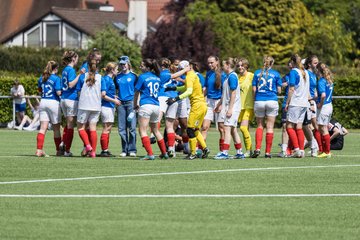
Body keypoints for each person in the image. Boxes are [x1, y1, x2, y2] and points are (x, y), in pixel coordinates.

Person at [166, 60, 210, 160]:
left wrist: (175, 98)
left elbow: (189, 91)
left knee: (190, 129)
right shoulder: (193, 75)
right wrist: (174, 88)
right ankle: (205, 148)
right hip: (202, 105)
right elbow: (186, 88)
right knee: (195, 130)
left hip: (197, 106)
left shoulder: (189, 77)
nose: (180, 71)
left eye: (180, 69)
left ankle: (193, 153)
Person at [134, 58, 168, 160]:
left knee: (143, 130)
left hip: (146, 105)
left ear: (148, 67)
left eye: (142, 65)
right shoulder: (157, 77)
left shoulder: (142, 77)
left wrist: (135, 104)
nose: (140, 67)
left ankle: (150, 154)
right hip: (156, 106)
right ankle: (164, 153)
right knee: (155, 130)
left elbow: (137, 93)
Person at [251, 56, 282, 158]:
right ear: (272, 64)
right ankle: (267, 152)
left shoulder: (256, 73)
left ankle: (257, 148)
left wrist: (254, 100)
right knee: (270, 127)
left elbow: (254, 90)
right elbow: (279, 91)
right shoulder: (276, 74)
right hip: (272, 101)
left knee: (260, 126)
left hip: (259, 100)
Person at [214, 57, 244, 159]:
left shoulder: (232, 77)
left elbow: (233, 93)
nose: (222, 66)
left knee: (227, 128)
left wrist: (230, 109)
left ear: (228, 65)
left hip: (233, 107)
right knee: (233, 130)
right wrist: (219, 104)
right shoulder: (228, 77)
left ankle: (225, 152)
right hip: (228, 106)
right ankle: (239, 152)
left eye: (223, 64)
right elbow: (225, 94)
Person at [76, 59, 106, 158]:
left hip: (84, 105)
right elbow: (103, 94)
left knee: (80, 128)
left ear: (88, 67)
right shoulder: (101, 77)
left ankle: (88, 146)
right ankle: (93, 152)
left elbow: (78, 91)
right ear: (96, 67)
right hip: (96, 106)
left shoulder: (82, 76)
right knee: (93, 129)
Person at [285, 54, 310, 158]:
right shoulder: (306, 73)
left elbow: (291, 89)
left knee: (289, 126)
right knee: (299, 127)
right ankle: (301, 150)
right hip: (304, 103)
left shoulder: (294, 72)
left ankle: (296, 149)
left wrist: (287, 103)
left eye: (290, 62)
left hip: (295, 103)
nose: (289, 64)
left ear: (293, 62)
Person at [60, 50, 84, 156]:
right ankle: (67, 150)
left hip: (64, 99)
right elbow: (71, 84)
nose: (77, 60)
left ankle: (62, 143)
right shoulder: (71, 70)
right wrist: (80, 75)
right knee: (70, 126)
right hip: (70, 99)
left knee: (67, 124)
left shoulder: (64, 69)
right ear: (73, 58)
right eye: (77, 58)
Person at [35, 61, 62, 157]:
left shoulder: (41, 78)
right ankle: (58, 151)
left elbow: (39, 90)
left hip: (43, 102)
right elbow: (58, 92)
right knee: (56, 129)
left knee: (43, 128)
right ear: (55, 69)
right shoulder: (56, 78)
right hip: (53, 103)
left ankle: (39, 150)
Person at [115, 56, 138, 157]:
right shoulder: (117, 77)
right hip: (120, 104)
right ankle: (124, 150)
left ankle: (132, 149)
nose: (122, 66)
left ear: (128, 64)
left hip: (131, 103)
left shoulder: (134, 76)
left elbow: (138, 91)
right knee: (121, 128)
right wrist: (115, 97)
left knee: (132, 128)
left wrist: (137, 103)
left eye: (124, 64)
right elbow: (114, 90)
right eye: (121, 64)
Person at [202, 56, 225, 152]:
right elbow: (206, 88)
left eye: (212, 62)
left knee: (221, 128)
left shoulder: (223, 74)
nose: (210, 64)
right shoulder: (208, 73)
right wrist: (201, 99)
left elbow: (225, 91)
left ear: (217, 62)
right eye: (208, 63)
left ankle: (223, 151)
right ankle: (201, 149)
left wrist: (220, 104)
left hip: (220, 101)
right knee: (204, 127)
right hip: (209, 102)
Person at [100, 62, 121, 157]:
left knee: (108, 129)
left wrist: (113, 96)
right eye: (116, 69)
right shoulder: (106, 79)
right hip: (106, 106)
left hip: (109, 106)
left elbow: (107, 93)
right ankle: (104, 150)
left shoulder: (109, 79)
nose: (117, 71)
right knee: (106, 128)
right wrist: (114, 100)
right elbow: (103, 95)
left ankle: (106, 149)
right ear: (112, 70)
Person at [316, 62, 334, 158]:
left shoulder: (321, 81)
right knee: (323, 128)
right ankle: (324, 151)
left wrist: (320, 104)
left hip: (324, 106)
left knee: (323, 129)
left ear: (318, 70)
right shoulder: (329, 80)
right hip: (329, 105)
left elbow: (323, 95)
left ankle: (326, 152)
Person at [237, 58, 254, 157]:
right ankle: (249, 150)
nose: (240, 67)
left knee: (243, 128)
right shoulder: (238, 78)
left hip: (249, 106)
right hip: (240, 107)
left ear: (246, 66)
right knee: (245, 129)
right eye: (238, 65)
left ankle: (248, 151)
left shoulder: (251, 76)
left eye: (242, 65)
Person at [304, 55, 320, 156]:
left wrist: (315, 101)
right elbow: (305, 89)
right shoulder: (306, 74)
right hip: (306, 102)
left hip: (311, 102)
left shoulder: (314, 75)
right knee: (307, 125)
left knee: (312, 125)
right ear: (309, 64)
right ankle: (315, 146)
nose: (317, 64)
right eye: (315, 63)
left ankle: (316, 146)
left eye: (317, 62)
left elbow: (314, 90)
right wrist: (310, 101)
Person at [278, 60, 292, 157]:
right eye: (289, 64)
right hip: (286, 105)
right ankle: (284, 150)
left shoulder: (301, 75)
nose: (291, 66)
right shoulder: (285, 77)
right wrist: (283, 85)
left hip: (297, 105)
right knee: (284, 127)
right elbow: (279, 87)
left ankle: (295, 148)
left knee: (297, 128)